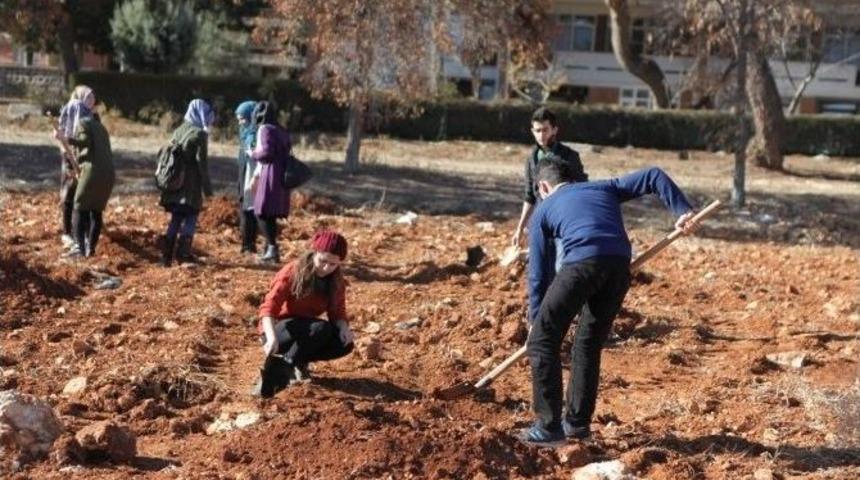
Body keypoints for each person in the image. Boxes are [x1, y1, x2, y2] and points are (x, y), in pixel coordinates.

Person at [519, 156, 699, 446]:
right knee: (588, 342)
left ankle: (548, 428)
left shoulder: (542, 211)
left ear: (543, 187)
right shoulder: (603, 188)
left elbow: (539, 274)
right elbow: (653, 172)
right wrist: (682, 210)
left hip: (581, 264)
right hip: (619, 266)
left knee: (542, 341)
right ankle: (577, 425)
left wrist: (535, 320)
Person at [253, 230, 355, 398]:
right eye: (323, 261)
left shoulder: (336, 281)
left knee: (343, 343)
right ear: (314, 253)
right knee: (320, 328)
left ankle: (296, 362)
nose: (326, 267)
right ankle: (280, 370)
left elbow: (337, 313)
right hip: (278, 330)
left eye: (333, 264)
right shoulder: (292, 272)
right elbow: (269, 308)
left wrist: (344, 329)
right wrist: (270, 338)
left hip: (306, 330)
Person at [511, 107, 588, 250]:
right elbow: (530, 196)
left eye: (545, 130)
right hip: (540, 222)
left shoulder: (569, 156)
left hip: (564, 221)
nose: (541, 135)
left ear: (554, 130)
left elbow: (582, 190)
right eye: (538, 131)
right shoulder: (531, 159)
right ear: (532, 131)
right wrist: (520, 229)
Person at [53, 99, 115, 258]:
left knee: (79, 208)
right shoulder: (101, 127)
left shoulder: (83, 124)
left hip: (92, 173)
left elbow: (84, 142)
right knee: (96, 210)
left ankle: (80, 248)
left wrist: (65, 138)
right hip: (108, 174)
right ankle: (91, 249)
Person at [159, 99, 215, 266]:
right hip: (191, 185)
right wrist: (208, 191)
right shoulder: (200, 134)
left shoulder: (179, 130)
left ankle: (166, 256)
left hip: (175, 182)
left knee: (176, 218)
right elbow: (202, 165)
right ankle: (183, 254)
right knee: (191, 216)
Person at [249, 101, 291, 264]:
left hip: (270, 173)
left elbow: (266, 152)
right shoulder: (281, 129)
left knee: (262, 211)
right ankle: (269, 249)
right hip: (282, 174)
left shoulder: (265, 129)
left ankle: (272, 248)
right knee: (271, 212)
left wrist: (253, 153)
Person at [54, 85, 96, 249]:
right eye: (89, 97)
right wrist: (69, 150)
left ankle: (77, 232)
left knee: (79, 194)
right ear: (82, 96)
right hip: (71, 156)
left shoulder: (87, 111)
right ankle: (68, 233)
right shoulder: (76, 106)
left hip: (79, 156)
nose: (92, 100)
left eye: (93, 97)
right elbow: (74, 131)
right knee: (71, 193)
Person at [235, 100, 259, 255]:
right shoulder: (246, 133)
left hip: (252, 176)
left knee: (249, 210)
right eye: (238, 119)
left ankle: (248, 245)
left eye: (243, 118)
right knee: (246, 209)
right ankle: (247, 244)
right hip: (244, 174)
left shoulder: (254, 134)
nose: (240, 122)